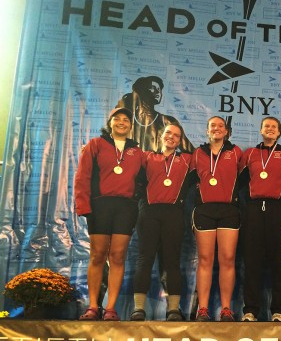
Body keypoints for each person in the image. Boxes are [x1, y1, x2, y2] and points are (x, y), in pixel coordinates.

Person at [74, 107, 143, 320]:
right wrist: (84, 207)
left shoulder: (138, 152)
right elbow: (82, 177)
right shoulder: (95, 145)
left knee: (118, 256)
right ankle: (93, 306)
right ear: (110, 122)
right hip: (100, 206)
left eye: (126, 119)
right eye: (117, 119)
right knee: (97, 255)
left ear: (131, 126)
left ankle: (111, 308)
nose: (122, 122)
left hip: (125, 208)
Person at [130, 123, 194, 322]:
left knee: (172, 262)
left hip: (174, 214)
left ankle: (173, 310)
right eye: (168, 133)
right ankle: (138, 308)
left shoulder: (187, 159)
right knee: (144, 260)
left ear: (180, 140)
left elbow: (212, 160)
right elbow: (121, 158)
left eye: (176, 135)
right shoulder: (146, 157)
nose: (171, 137)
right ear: (160, 135)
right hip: (148, 213)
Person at [238, 116, 281, 322]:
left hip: (280, 210)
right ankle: (250, 310)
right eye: (267, 126)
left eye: (274, 127)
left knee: (279, 263)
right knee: (252, 262)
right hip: (254, 210)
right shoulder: (250, 154)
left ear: (279, 132)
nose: (270, 129)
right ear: (261, 130)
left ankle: (278, 310)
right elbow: (237, 181)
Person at [192, 116, 243, 322]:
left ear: (226, 131)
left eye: (221, 126)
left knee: (228, 260)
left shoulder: (236, 152)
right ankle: (202, 309)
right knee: (205, 260)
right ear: (207, 131)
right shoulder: (197, 153)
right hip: (204, 210)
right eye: (213, 125)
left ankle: (226, 309)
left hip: (229, 211)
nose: (217, 128)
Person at [117, 76, 194, 153]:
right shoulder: (127, 121)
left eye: (159, 89)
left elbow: (190, 151)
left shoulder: (167, 122)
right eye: (153, 88)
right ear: (142, 91)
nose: (158, 92)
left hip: (159, 164)